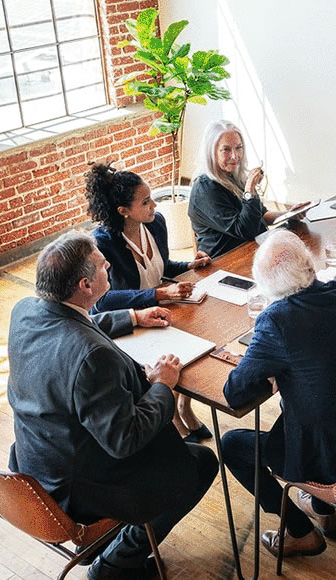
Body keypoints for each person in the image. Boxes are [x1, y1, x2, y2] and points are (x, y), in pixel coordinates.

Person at [6, 232, 218, 580]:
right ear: (86, 284)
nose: (110, 269)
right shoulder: (93, 357)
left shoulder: (26, 310)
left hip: (35, 460)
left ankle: (103, 544)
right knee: (199, 462)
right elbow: (125, 440)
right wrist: (163, 385)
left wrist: (133, 317)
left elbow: (73, 324)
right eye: (104, 266)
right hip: (77, 486)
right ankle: (118, 561)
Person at [221, 230, 336, 557]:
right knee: (327, 404)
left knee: (231, 444)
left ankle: (300, 532)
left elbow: (233, 392)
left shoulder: (276, 319)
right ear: (309, 264)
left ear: (269, 286)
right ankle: (323, 509)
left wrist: (270, 369)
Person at [85, 162, 213, 443]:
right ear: (123, 211)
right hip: (127, 320)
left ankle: (183, 407)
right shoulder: (102, 244)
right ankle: (175, 421)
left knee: (193, 345)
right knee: (174, 355)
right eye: (146, 202)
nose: (154, 205)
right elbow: (102, 300)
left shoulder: (156, 224)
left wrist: (189, 264)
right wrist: (159, 295)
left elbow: (161, 266)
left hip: (158, 311)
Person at [188, 120, 295, 257]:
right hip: (226, 261)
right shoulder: (205, 188)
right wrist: (249, 190)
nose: (235, 156)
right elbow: (245, 230)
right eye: (226, 149)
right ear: (211, 152)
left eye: (238, 147)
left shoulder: (234, 175)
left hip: (252, 249)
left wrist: (291, 214)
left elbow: (262, 215)